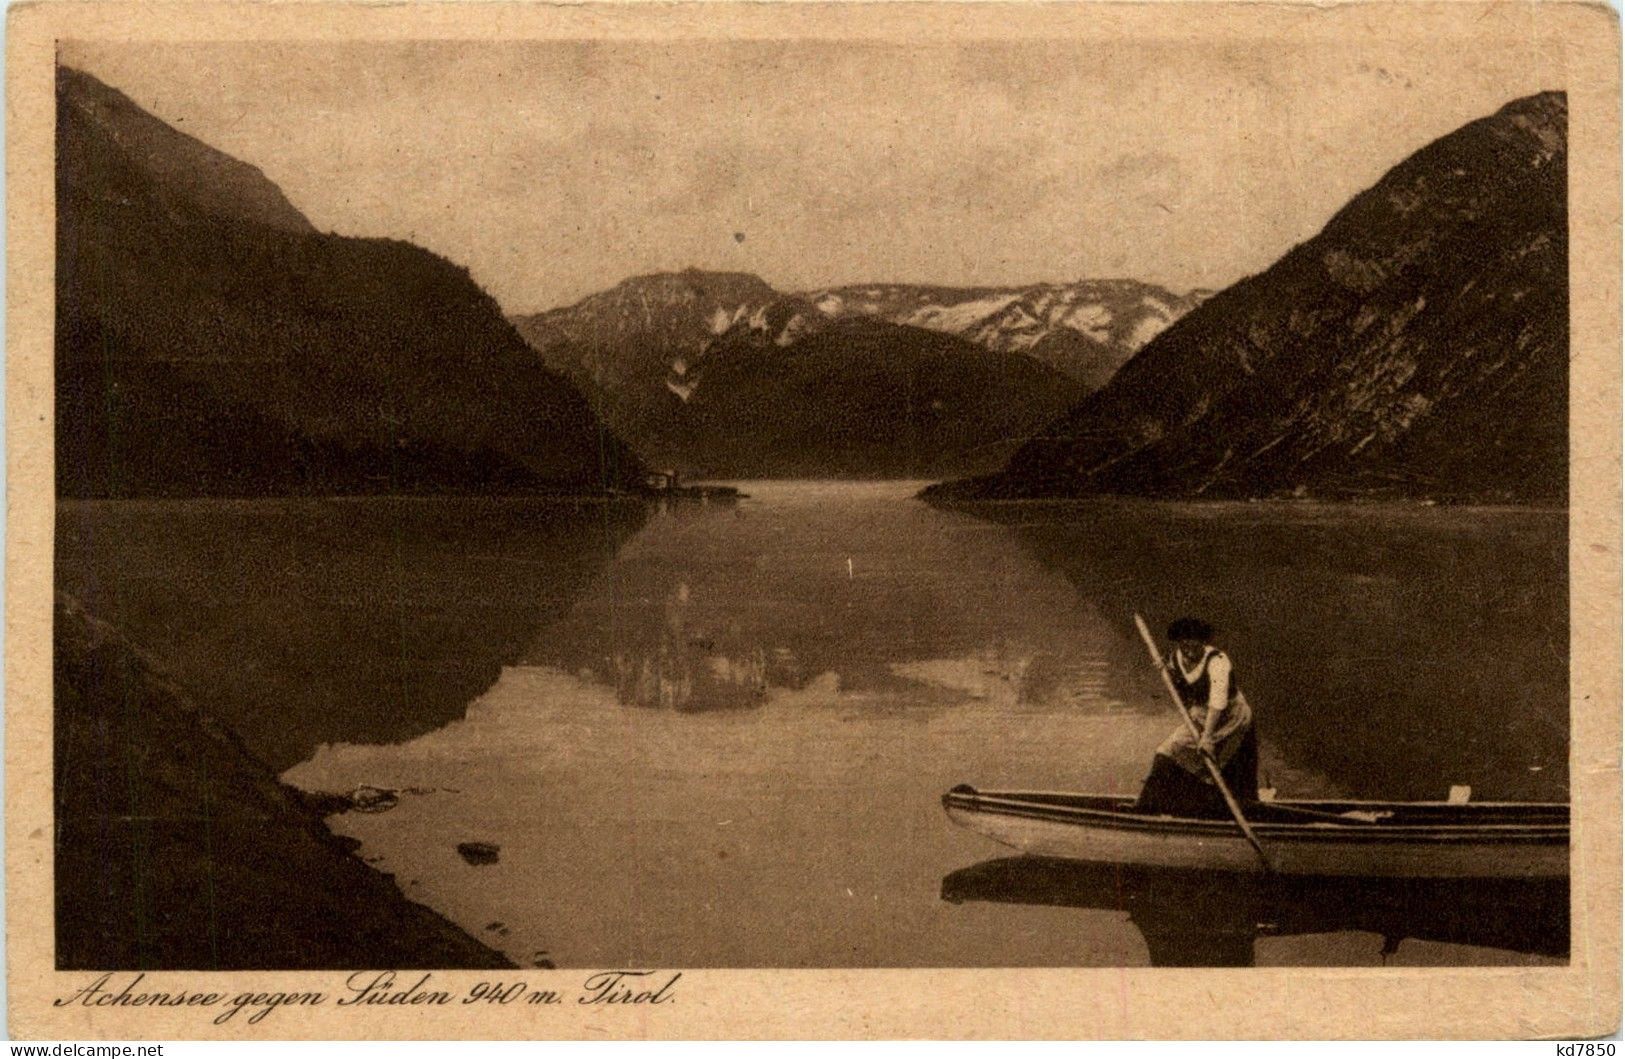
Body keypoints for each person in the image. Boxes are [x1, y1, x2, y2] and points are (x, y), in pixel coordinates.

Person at [1134, 617, 1259, 816]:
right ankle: (1146, 808)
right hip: (1201, 715)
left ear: (1203, 643)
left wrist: (1207, 738)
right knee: (1166, 753)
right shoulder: (1176, 658)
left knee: (1224, 772)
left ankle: (1231, 815)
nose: (1190, 651)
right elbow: (1179, 680)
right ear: (1179, 644)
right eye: (1184, 645)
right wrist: (1165, 669)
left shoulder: (1218, 662)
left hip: (1231, 718)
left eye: (1195, 645)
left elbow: (1218, 702)